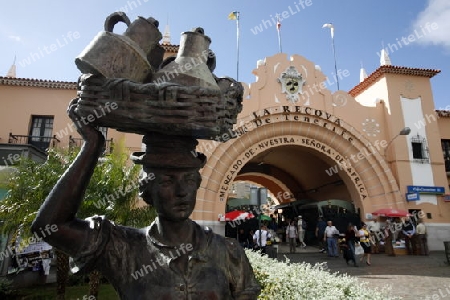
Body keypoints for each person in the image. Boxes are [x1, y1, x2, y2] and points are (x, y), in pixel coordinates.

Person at [31, 102, 261, 299]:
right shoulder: (122, 248)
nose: (182, 191)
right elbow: (50, 227)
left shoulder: (228, 252)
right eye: (167, 181)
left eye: (189, 180)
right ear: (147, 191)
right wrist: (92, 146)